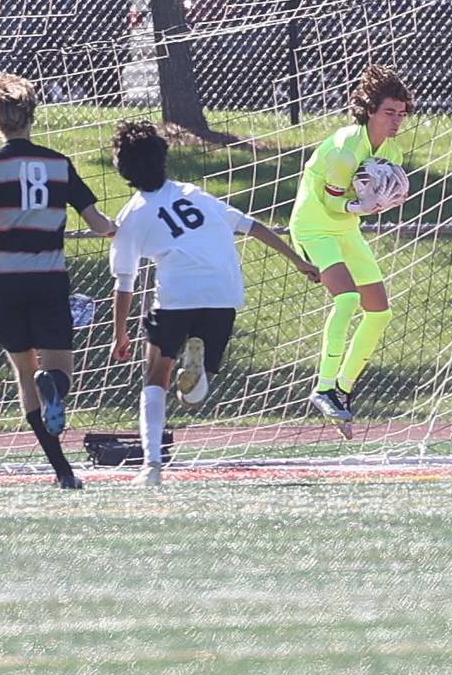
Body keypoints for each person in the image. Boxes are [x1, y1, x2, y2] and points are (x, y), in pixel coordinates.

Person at [108, 120, 320, 486]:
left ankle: (152, 466)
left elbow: (124, 283)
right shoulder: (194, 193)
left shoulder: (133, 216)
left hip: (177, 298)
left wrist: (119, 332)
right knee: (193, 396)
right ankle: (198, 375)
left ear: (122, 169)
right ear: (164, 160)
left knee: (154, 376)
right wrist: (298, 260)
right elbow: (251, 225)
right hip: (223, 295)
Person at [0, 73, 116, 490]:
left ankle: (64, 472)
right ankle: (54, 387)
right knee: (59, 372)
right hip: (47, 279)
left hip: (2, 281)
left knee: (23, 371)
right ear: (32, 113)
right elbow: (95, 221)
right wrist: (114, 229)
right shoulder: (58, 164)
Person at [288, 65, 412, 434]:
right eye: (389, 112)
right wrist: (362, 207)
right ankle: (324, 387)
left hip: (346, 230)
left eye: (401, 114)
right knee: (346, 300)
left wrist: (382, 201)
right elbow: (331, 205)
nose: (396, 121)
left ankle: (342, 389)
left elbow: (373, 197)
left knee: (379, 313)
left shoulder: (393, 152)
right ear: (369, 110)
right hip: (314, 226)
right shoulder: (344, 148)